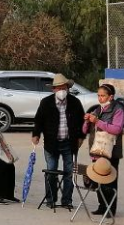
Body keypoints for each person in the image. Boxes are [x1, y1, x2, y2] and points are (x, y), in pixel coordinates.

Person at [32, 73, 85, 208]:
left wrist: (81, 137)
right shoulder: (46, 102)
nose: (61, 90)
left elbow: (81, 122)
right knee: (51, 172)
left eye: (64, 87)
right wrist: (36, 134)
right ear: (53, 89)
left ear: (67, 88)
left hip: (69, 143)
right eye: (58, 88)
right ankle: (50, 199)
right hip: (51, 143)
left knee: (69, 173)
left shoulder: (75, 102)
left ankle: (67, 200)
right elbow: (39, 120)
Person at [82, 84, 124, 217]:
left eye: (103, 96)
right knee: (98, 179)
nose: (100, 98)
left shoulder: (118, 110)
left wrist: (98, 122)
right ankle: (102, 206)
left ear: (110, 96)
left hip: (111, 151)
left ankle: (110, 209)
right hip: (97, 150)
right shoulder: (97, 109)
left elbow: (116, 129)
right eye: (98, 95)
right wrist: (87, 121)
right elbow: (84, 130)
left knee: (110, 181)